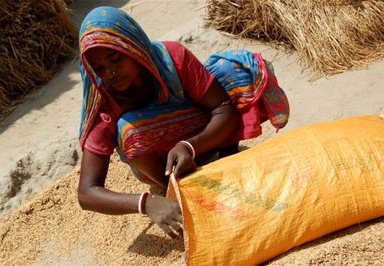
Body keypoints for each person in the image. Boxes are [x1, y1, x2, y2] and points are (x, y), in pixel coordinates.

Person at [77, 6, 289, 239]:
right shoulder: (102, 100)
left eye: (115, 60)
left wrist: (189, 146)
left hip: (199, 137)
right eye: (98, 68)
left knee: (231, 69)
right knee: (128, 129)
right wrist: (146, 203)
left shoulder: (171, 60)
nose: (109, 73)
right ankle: (174, 186)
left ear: (134, 48)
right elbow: (87, 193)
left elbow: (223, 110)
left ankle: (227, 154)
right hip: (160, 160)